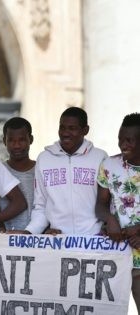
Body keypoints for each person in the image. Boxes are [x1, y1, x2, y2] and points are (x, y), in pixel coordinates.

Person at [23, 106, 108, 235]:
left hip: (94, 240)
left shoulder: (100, 157)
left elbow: (109, 202)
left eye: (72, 128)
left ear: (85, 130)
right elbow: (40, 206)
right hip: (58, 241)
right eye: (62, 128)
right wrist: (30, 232)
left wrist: (105, 228)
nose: (65, 133)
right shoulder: (44, 159)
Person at [96, 112, 140, 312]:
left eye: (129, 140)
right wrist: (110, 220)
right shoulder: (109, 166)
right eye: (120, 139)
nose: (123, 145)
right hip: (117, 253)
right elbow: (100, 204)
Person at [0, 117, 36, 230]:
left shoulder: (42, 170)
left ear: (31, 139)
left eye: (22, 140)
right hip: (7, 242)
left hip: (40, 241)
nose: (17, 145)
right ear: (4, 141)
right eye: (11, 140)